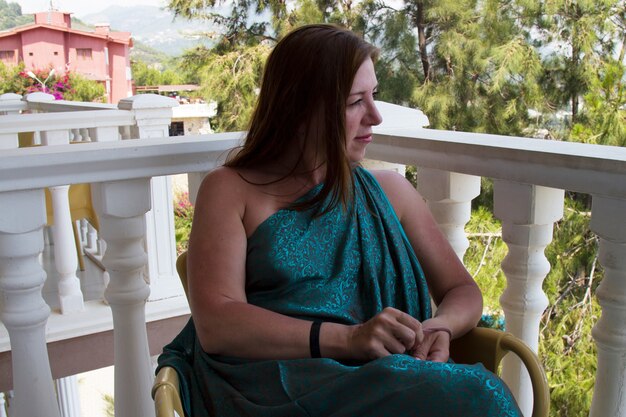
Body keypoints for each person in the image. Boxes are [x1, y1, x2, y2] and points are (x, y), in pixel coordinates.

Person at [157, 24, 523, 417]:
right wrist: (349, 339)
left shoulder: (390, 193)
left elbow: (462, 291)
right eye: (355, 102)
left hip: (387, 381)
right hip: (278, 390)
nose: (376, 116)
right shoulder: (231, 189)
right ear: (301, 109)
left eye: (374, 96)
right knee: (481, 395)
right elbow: (217, 324)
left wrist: (439, 329)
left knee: (479, 394)